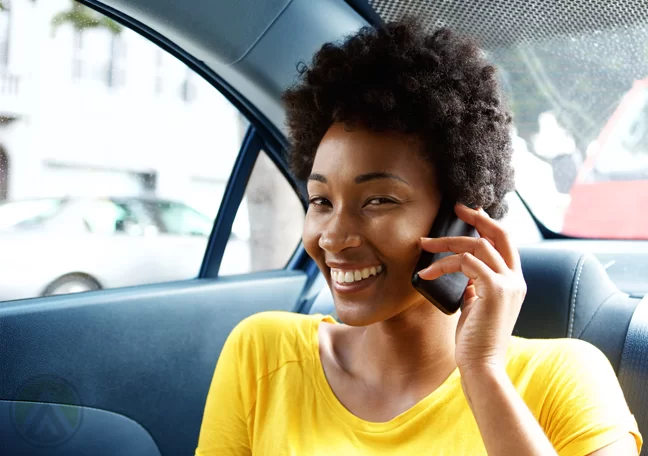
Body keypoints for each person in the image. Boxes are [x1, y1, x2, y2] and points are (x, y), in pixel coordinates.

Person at [196, 19, 642, 455]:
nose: (333, 238)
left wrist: (483, 373)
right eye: (321, 201)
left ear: (460, 219)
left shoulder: (566, 378)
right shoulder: (262, 354)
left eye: (378, 201)